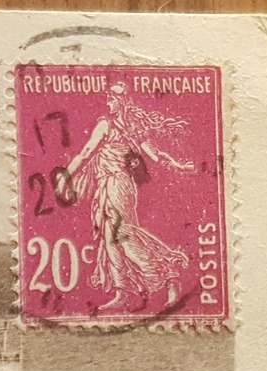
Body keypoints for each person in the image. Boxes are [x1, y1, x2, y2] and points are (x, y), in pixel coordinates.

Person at [63, 81, 194, 312]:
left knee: (122, 236)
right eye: (108, 99)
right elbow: (155, 155)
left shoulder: (109, 125)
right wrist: (176, 165)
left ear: (123, 102)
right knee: (110, 238)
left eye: (112, 99)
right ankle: (123, 292)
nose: (109, 103)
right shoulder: (130, 128)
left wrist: (65, 176)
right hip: (110, 185)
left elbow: (86, 153)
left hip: (116, 183)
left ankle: (166, 278)